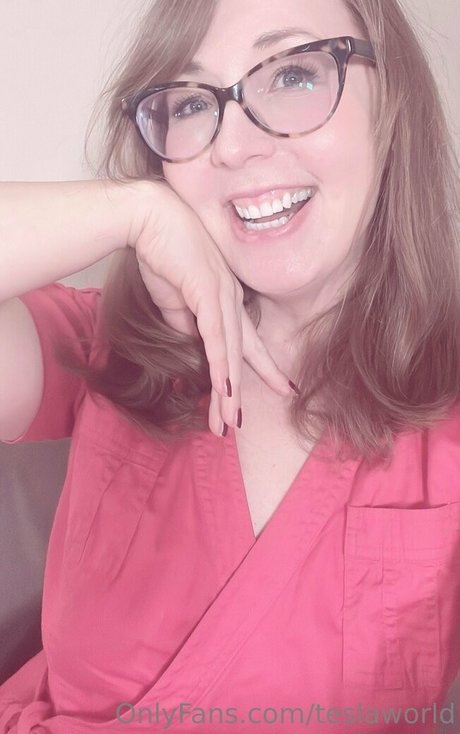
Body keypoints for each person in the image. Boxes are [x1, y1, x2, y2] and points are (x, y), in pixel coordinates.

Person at [0, 0, 459, 731]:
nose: (235, 146)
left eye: (296, 74)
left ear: (392, 100)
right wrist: (131, 211)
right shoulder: (102, 345)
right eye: (190, 102)